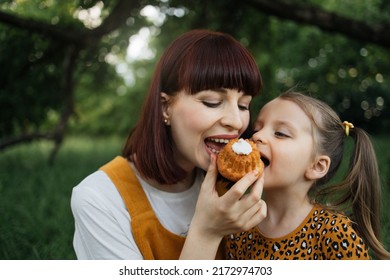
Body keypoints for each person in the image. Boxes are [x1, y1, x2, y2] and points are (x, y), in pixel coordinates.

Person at [70, 29, 267, 260]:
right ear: (166, 108)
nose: (236, 121)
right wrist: (207, 232)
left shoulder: (238, 189)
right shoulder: (100, 198)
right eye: (212, 102)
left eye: (244, 106)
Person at [225, 91, 390, 260]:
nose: (256, 136)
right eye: (257, 128)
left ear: (317, 166)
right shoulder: (238, 226)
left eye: (280, 133)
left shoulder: (335, 233)